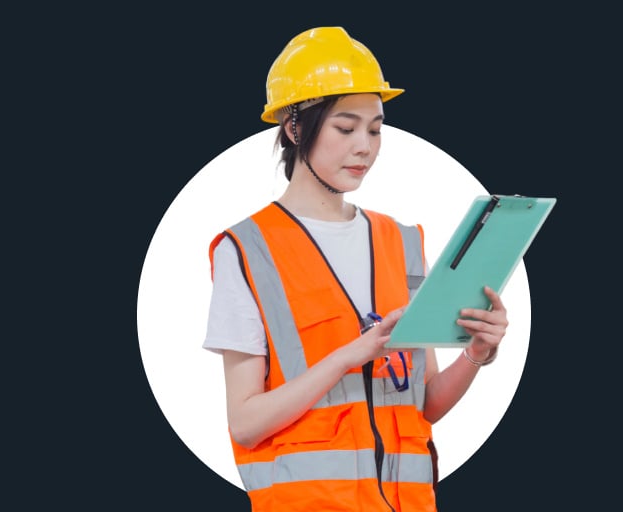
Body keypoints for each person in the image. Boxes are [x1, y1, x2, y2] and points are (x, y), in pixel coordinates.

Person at [202, 26, 508, 511]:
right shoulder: (247, 249)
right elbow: (245, 422)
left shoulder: (402, 242)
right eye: (346, 128)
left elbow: (425, 404)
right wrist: (349, 356)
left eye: (375, 128)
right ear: (295, 128)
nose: (365, 147)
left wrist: (475, 353)